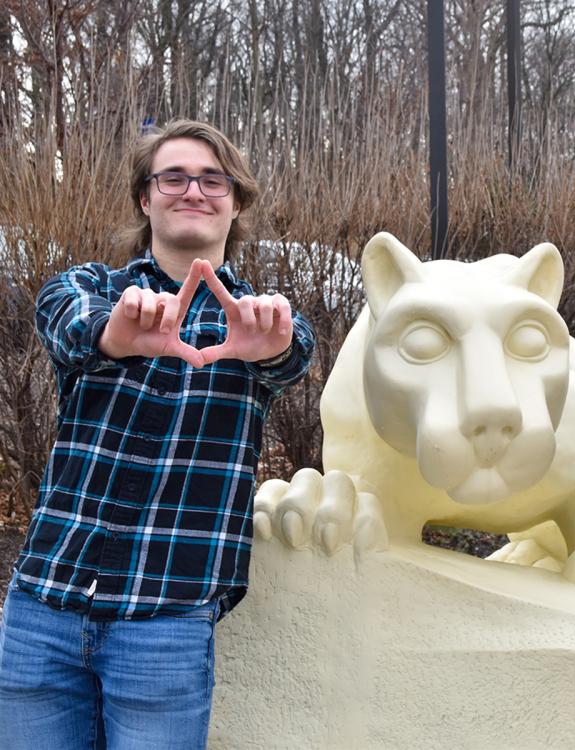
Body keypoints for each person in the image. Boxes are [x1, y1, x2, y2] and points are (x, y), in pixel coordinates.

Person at [0, 120, 315, 749]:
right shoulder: (90, 288)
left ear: (235, 202)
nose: (192, 190)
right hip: (45, 609)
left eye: (212, 179)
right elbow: (70, 324)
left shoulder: (261, 319)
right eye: (172, 176)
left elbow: (292, 354)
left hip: (167, 622)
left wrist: (267, 348)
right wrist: (120, 336)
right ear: (146, 197)